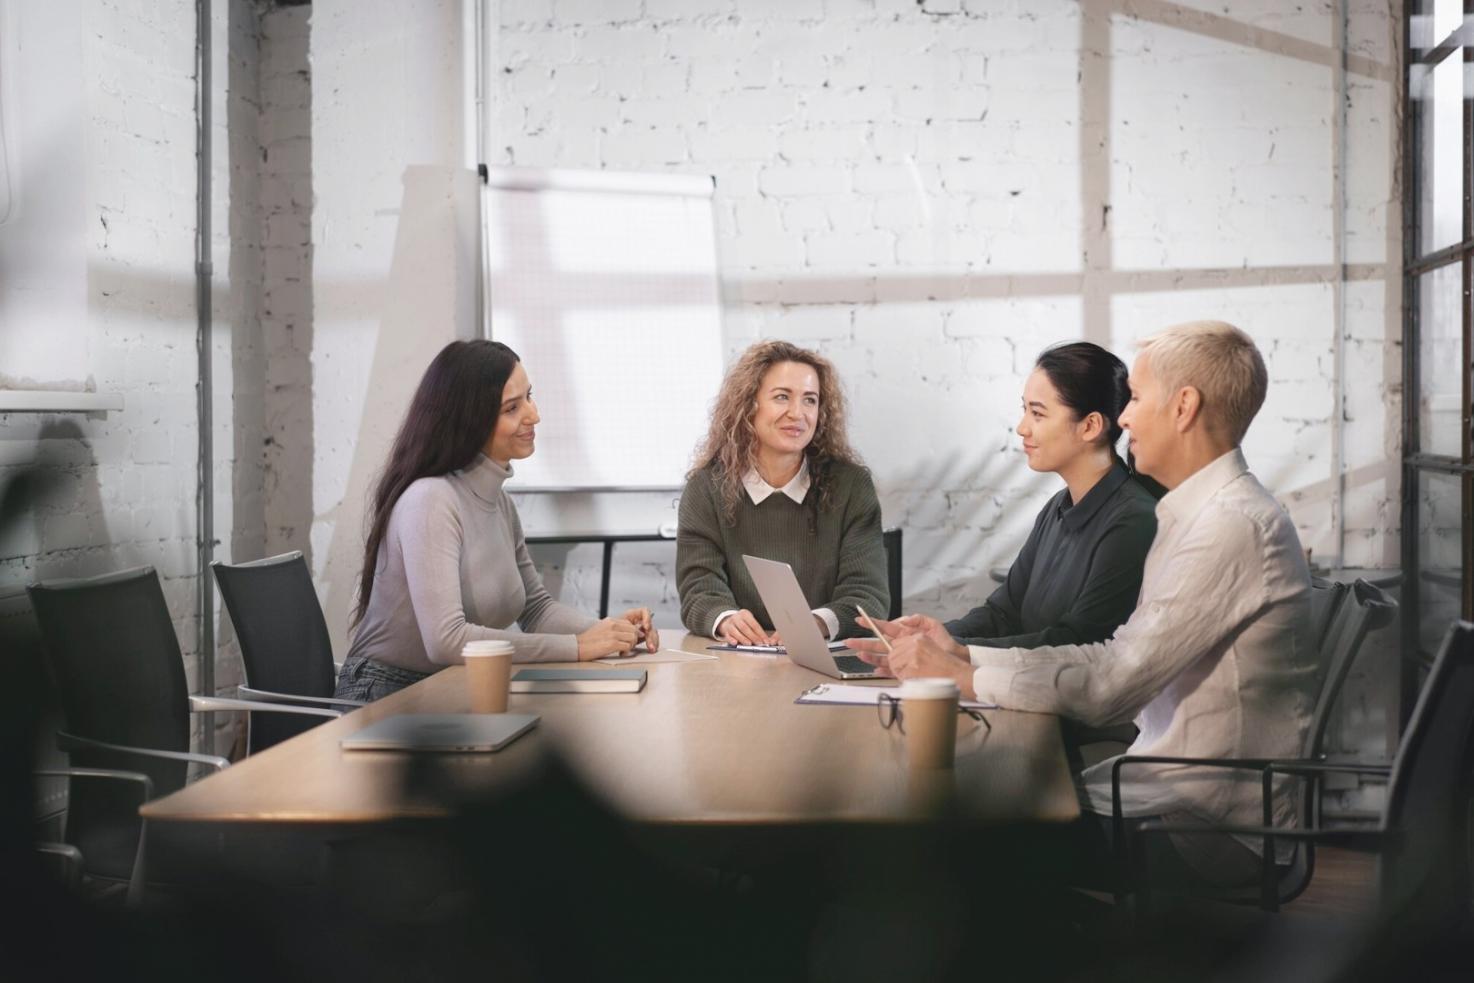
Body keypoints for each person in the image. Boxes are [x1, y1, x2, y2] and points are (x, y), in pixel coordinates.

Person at [849, 321, 1316, 887]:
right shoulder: (1193, 515)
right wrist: (961, 660)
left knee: (951, 837)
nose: (1123, 418)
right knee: (958, 814)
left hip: (1202, 827)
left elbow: (1107, 687)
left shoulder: (1229, 527)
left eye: (1138, 398)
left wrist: (961, 673)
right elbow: (1106, 657)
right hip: (1164, 792)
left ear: (1184, 407)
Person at [336, 340, 660, 703]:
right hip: (386, 695)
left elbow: (535, 610)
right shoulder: (429, 499)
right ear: (469, 420)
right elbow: (446, 640)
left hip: (450, 688)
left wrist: (607, 630)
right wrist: (577, 647)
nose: (533, 415)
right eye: (512, 408)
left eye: (529, 397)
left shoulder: (499, 503)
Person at [920, 341, 1158, 652]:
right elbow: (1003, 614)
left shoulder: (1133, 521)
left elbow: (1075, 642)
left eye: (1037, 413)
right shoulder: (1057, 508)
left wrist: (959, 652)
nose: (1022, 428)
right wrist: (931, 636)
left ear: (1090, 426)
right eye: (1025, 410)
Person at [677, 340, 888, 644]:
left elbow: (869, 595)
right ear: (748, 404)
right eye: (781, 397)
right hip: (739, 662)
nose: (797, 413)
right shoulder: (706, 489)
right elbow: (698, 588)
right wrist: (724, 618)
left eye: (810, 400)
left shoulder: (851, 486)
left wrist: (815, 624)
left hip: (825, 659)